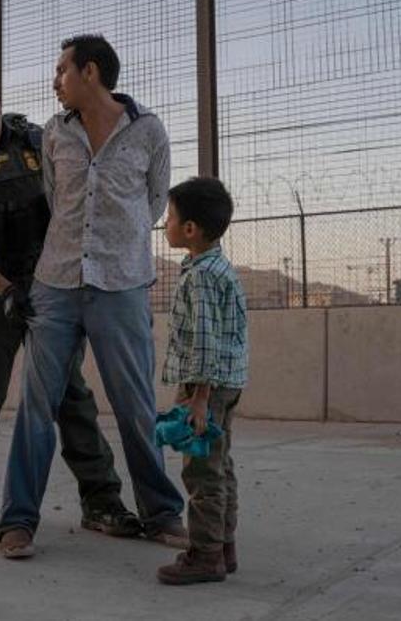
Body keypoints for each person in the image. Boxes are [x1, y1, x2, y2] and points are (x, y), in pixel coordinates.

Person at [0, 74, 140, 538]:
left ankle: (102, 502)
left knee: (70, 395)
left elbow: (71, 203)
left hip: (46, 281)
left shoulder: (36, 140)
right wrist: (5, 292)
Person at [0, 35, 187, 559]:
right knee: (36, 405)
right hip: (55, 284)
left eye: (62, 70)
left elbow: (151, 204)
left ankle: (162, 512)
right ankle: (17, 522)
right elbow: (58, 199)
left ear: (91, 72)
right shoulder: (56, 133)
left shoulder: (149, 131)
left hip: (122, 284)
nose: (54, 80)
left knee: (135, 405)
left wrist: (113, 247)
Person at [154, 176, 249, 585]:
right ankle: (223, 547)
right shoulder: (215, 266)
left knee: (201, 471)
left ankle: (205, 555)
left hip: (205, 385)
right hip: (225, 381)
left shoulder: (202, 276)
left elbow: (206, 342)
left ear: (190, 229)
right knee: (219, 462)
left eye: (170, 217)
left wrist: (198, 398)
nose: (165, 224)